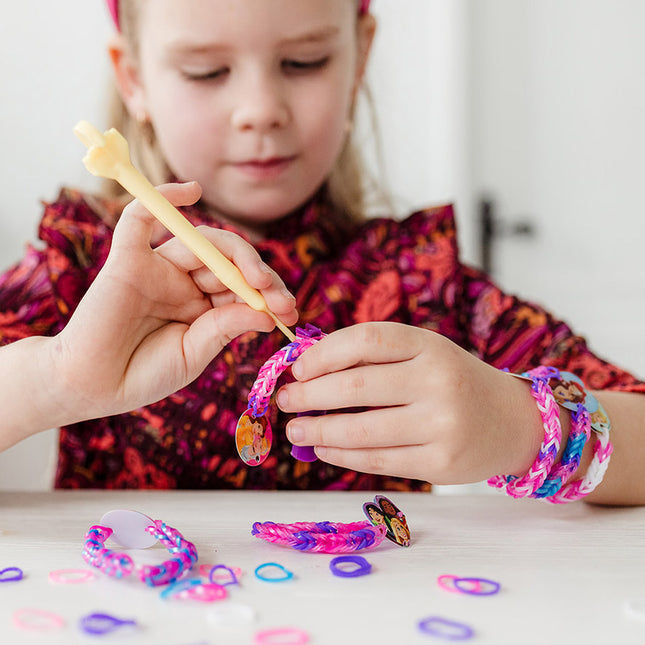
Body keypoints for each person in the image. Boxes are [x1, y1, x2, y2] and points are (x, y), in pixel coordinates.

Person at [0, 0, 643, 504]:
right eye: (207, 71)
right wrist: (56, 380)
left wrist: (518, 426)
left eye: (304, 61)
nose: (260, 110)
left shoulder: (417, 280)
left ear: (360, 55)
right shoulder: (83, 268)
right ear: (133, 79)